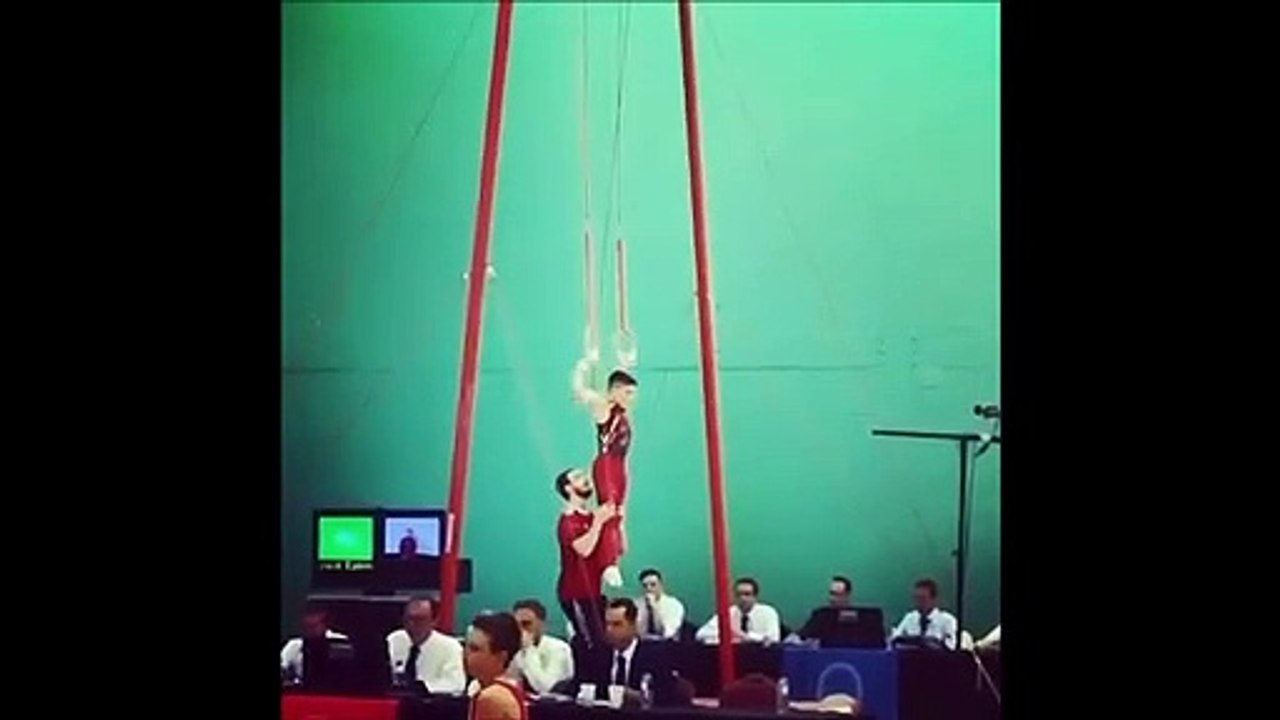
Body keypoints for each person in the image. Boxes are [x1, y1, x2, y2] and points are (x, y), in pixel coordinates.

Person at [572, 357, 638, 588]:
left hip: (620, 465)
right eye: (628, 392)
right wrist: (583, 366)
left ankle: (612, 557)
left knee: (617, 513)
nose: (631, 398)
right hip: (607, 463)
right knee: (607, 511)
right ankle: (608, 565)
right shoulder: (603, 406)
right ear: (615, 390)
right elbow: (580, 392)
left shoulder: (621, 412)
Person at [581, 598, 682, 707]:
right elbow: (581, 688)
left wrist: (639, 698)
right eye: (607, 624)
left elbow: (665, 696)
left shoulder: (655, 656)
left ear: (633, 626)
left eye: (617, 624)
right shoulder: (598, 655)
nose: (609, 630)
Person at [554, 468, 615, 648]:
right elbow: (584, 550)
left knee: (605, 641)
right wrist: (598, 522)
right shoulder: (568, 521)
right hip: (576, 594)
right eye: (578, 477)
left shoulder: (593, 517)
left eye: (584, 475)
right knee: (591, 642)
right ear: (568, 488)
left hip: (595, 592)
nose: (585, 479)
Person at [386, 596, 467, 692]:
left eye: (420, 619)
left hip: (432, 699)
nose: (412, 625)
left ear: (434, 621)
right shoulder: (393, 640)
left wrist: (422, 688)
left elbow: (455, 683)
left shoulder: (450, 647)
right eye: (409, 619)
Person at [465, 612, 529, 720]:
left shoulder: (491, 697)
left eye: (475, 649)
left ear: (501, 657)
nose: (466, 654)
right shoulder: (508, 689)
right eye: (466, 646)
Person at [509, 599, 574, 694]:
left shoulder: (559, 648)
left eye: (526, 624)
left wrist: (529, 650)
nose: (521, 630)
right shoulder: (515, 649)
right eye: (516, 625)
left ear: (542, 624)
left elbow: (546, 688)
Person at [695, 577, 782, 644]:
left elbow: (773, 639)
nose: (742, 598)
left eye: (747, 594)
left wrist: (744, 636)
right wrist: (728, 635)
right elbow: (701, 634)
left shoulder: (768, 612)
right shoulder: (729, 612)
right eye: (738, 594)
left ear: (755, 597)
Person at [280, 604, 347, 681]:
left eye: (313, 626)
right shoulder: (293, 646)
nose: (309, 631)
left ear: (324, 624)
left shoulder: (340, 641)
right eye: (306, 627)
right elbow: (282, 669)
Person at [889, 578, 959, 649]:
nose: (919, 602)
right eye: (916, 598)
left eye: (923, 598)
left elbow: (951, 647)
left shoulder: (947, 620)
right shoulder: (910, 617)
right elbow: (895, 640)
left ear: (933, 599)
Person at [634, 568, 686, 640]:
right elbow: (636, 633)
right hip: (643, 643)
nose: (649, 589)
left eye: (653, 585)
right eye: (645, 586)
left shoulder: (674, 605)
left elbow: (667, 634)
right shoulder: (636, 605)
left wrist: (655, 609)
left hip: (667, 644)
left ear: (661, 585)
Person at [797, 575, 854, 640]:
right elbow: (801, 638)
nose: (832, 598)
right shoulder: (820, 615)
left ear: (847, 594)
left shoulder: (860, 618)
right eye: (831, 593)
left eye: (837, 594)